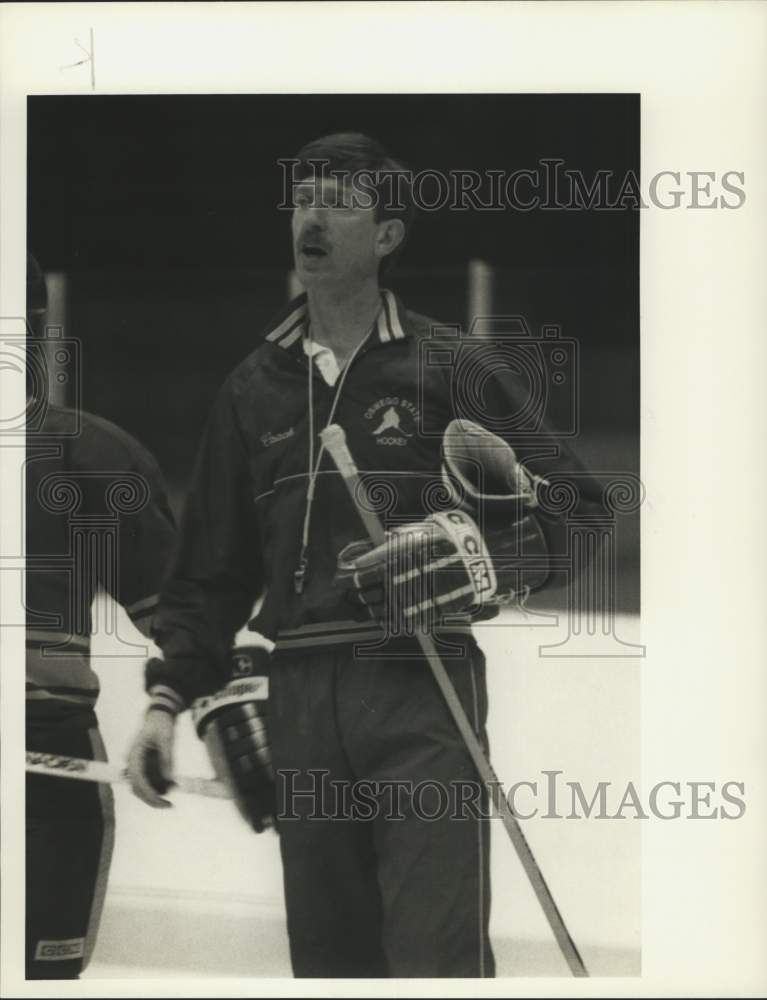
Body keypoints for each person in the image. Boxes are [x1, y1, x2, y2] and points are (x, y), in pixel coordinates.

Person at [127, 133, 598, 978]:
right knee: (330, 963)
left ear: (387, 236)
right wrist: (167, 700)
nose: (312, 215)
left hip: (420, 684)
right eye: (303, 197)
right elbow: (209, 575)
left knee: (433, 957)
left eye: (339, 201)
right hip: (301, 691)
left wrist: (489, 562)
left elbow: (580, 510)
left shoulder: (449, 363)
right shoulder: (251, 386)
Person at [25, 254, 176, 979]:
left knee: (38, 979)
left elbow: (181, 616)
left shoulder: (89, 455)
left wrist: (204, 707)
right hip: (49, 755)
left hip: (45, 758)